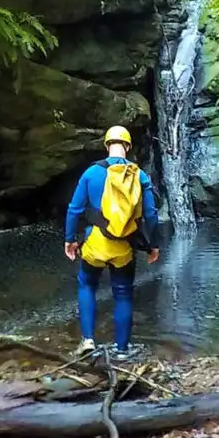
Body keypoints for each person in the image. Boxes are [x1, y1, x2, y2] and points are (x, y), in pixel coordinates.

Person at [64, 125, 160, 359]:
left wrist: (70, 240)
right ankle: (122, 351)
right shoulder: (139, 175)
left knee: (87, 285)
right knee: (123, 294)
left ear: (107, 145)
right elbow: (151, 214)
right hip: (124, 247)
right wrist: (153, 244)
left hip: (96, 243)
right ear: (127, 146)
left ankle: (88, 341)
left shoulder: (91, 173)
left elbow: (74, 209)